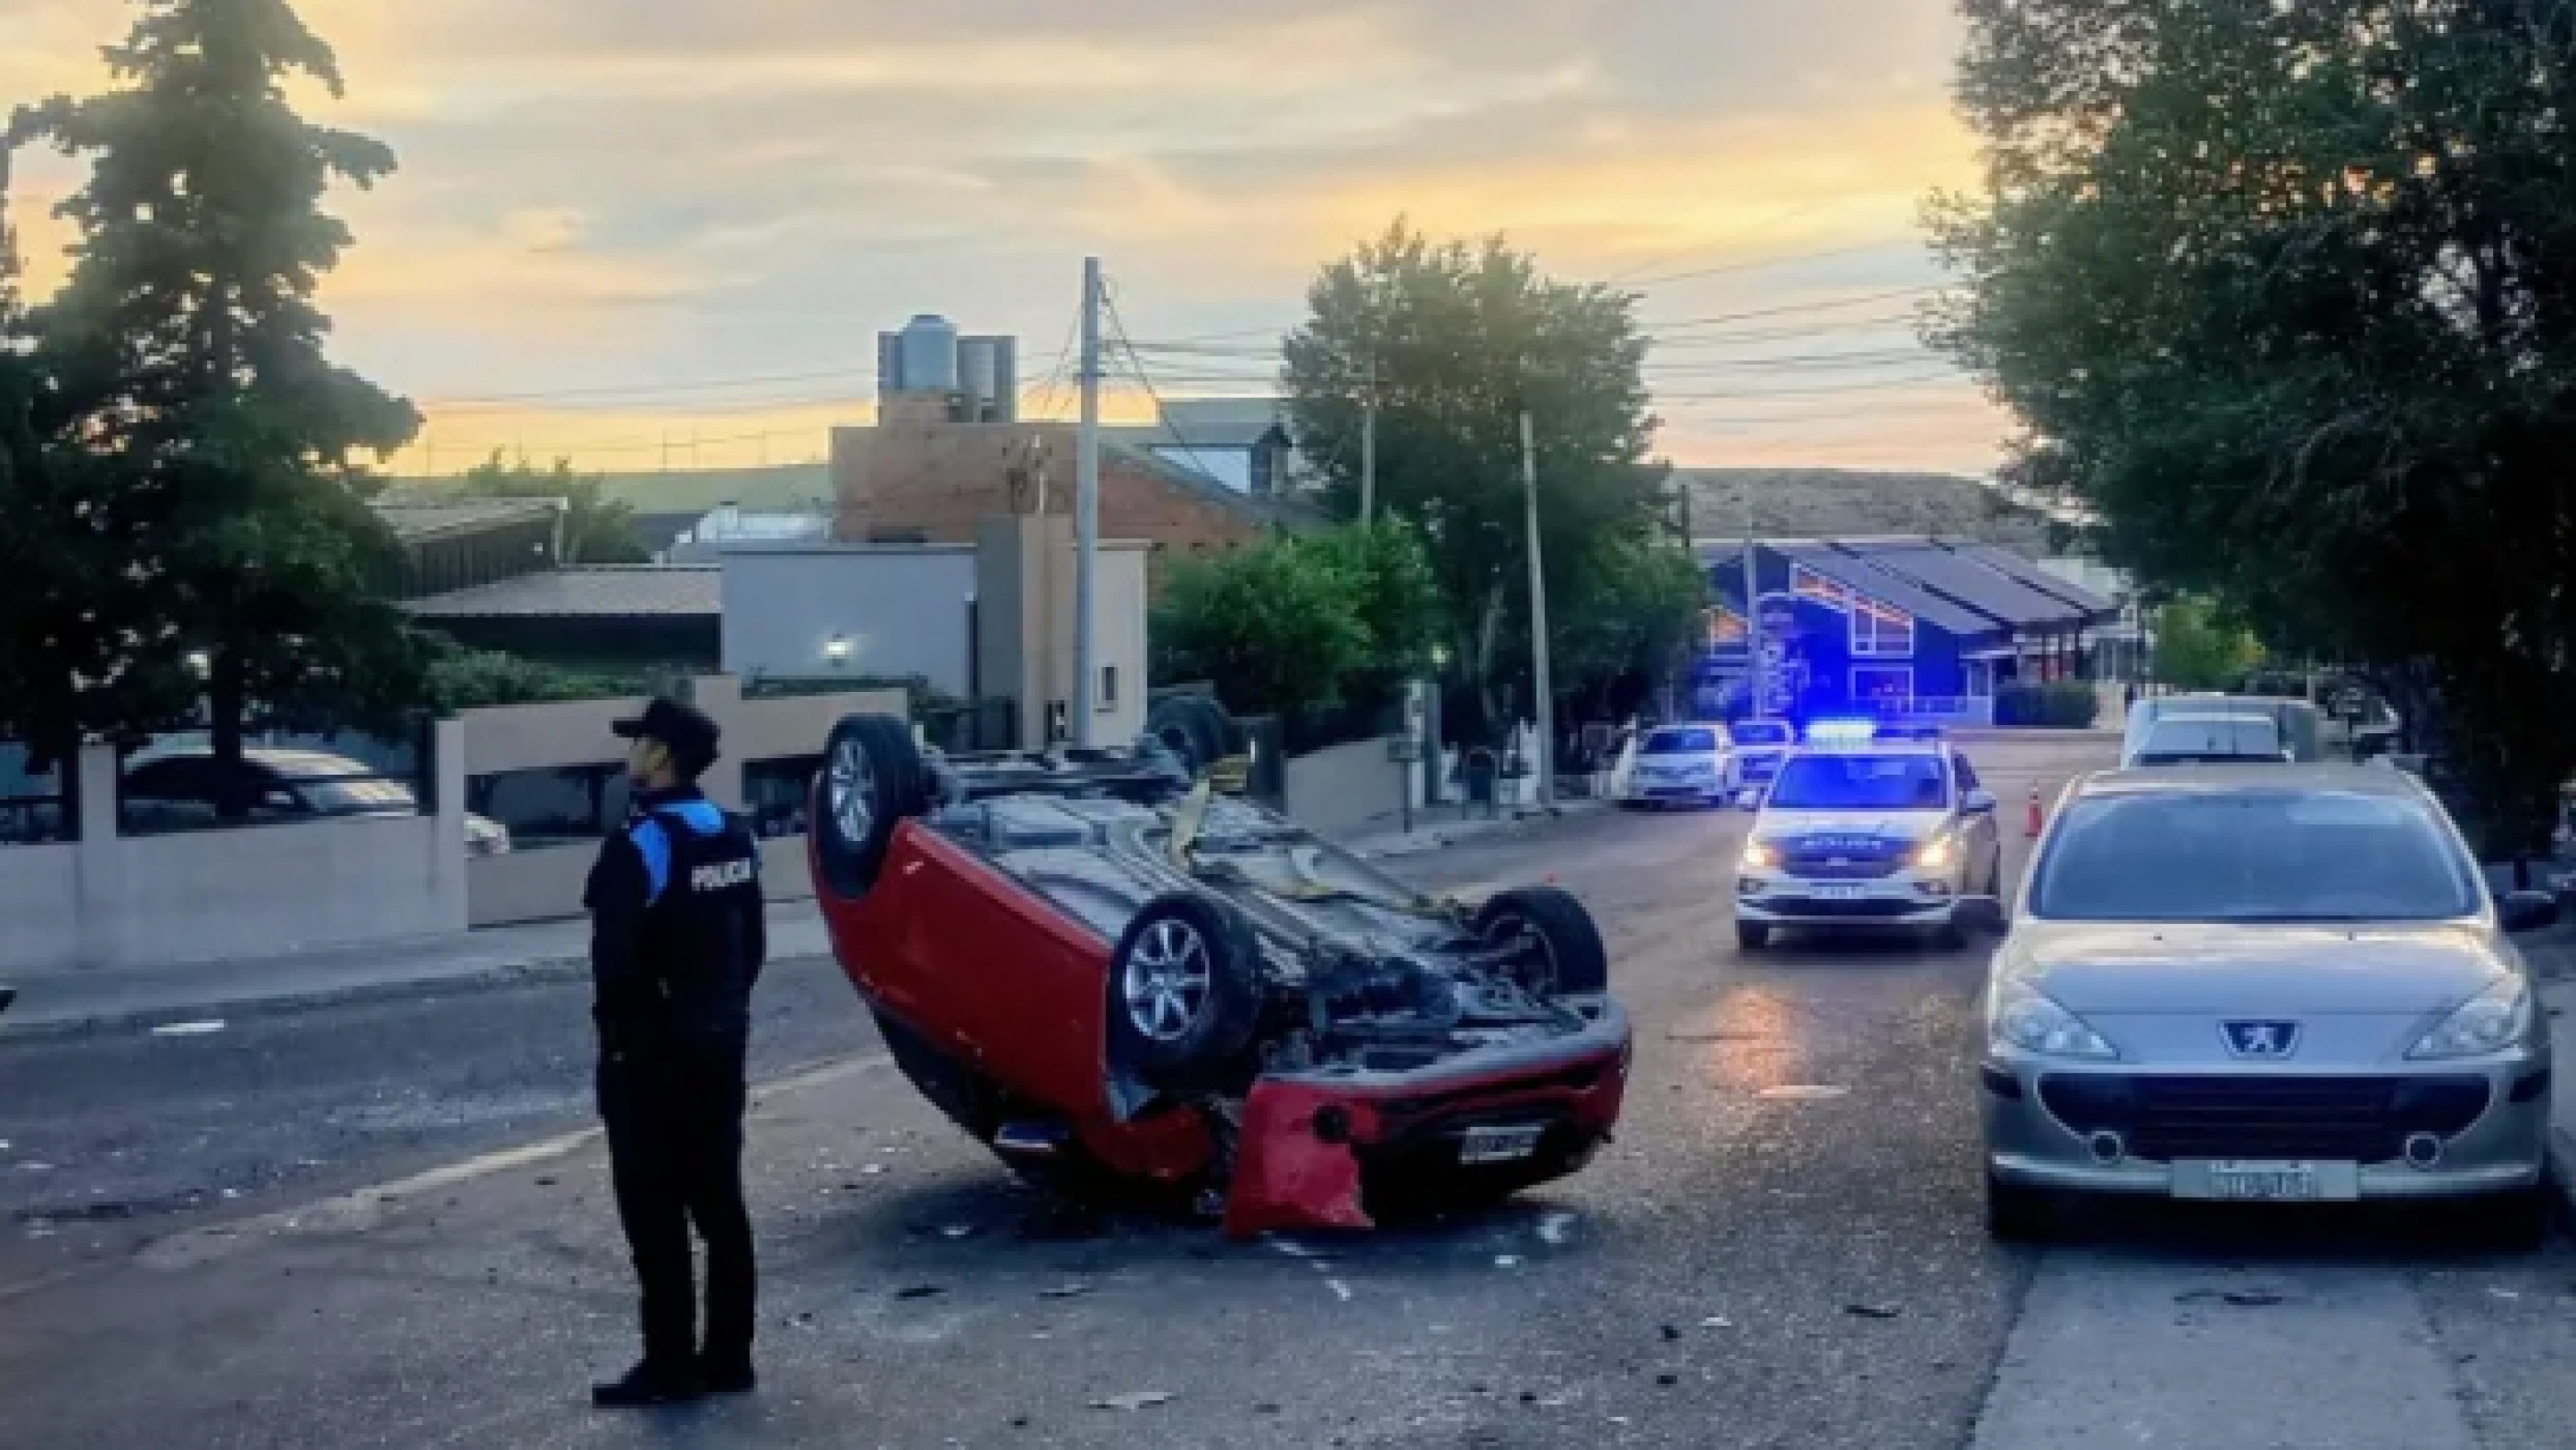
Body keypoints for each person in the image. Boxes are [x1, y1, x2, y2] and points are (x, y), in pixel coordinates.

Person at [585, 697, 768, 1409]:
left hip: (653, 1059)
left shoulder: (641, 844)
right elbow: (750, 946)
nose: (630, 753)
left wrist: (622, 1047)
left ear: (662, 758)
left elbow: (616, 964)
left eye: (640, 743)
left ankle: (668, 1364)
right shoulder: (732, 834)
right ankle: (729, 1358)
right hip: (720, 1044)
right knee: (720, 1203)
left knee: (652, 1207)